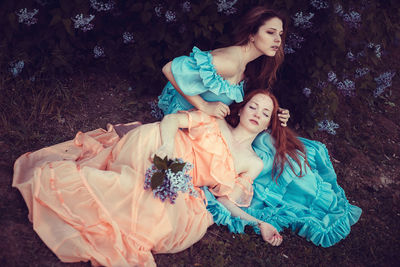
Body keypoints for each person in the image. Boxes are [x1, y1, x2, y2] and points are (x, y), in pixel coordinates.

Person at [158, 6, 362, 247]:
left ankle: (294, 188)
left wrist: (275, 115)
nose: (277, 40)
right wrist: (204, 106)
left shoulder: (246, 65)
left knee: (269, 145)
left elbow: (247, 102)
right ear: (252, 34)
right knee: (267, 151)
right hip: (188, 111)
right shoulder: (231, 61)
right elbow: (169, 68)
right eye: (271, 33)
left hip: (211, 120)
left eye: (280, 35)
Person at [13, 90, 287, 267]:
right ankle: (72, 190)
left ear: (268, 124)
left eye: (265, 113)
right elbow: (170, 122)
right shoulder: (215, 121)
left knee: (160, 219)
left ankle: (96, 208)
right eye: (253, 107)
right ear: (241, 109)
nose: (257, 114)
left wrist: (260, 223)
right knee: (137, 184)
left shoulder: (253, 162)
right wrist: (166, 149)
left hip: (180, 178)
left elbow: (225, 199)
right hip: (157, 143)